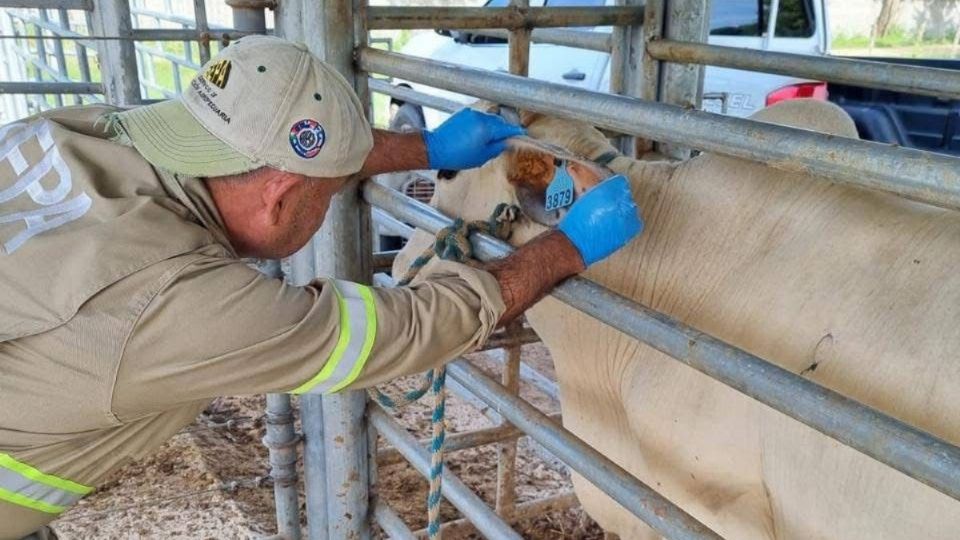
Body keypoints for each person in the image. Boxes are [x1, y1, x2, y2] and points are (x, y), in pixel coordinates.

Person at [0, 35, 642, 539]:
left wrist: (423, 147)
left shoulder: (75, 133)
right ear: (282, 199)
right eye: (329, 190)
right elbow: (407, 329)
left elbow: (263, 160)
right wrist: (569, 246)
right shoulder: (172, 300)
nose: (332, 194)